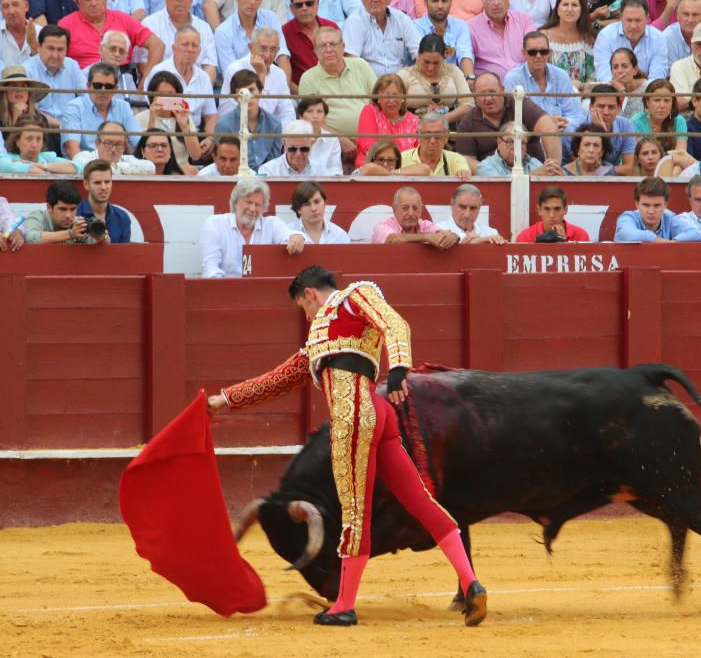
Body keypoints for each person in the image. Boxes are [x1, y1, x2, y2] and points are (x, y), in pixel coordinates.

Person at [207, 264, 489, 626]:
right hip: (378, 412)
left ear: (309, 294)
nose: (307, 318)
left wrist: (400, 367)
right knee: (419, 500)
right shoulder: (320, 338)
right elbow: (280, 379)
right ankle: (471, 584)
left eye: (304, 309)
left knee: (355, 512)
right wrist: (225, 400)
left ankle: (344, 605)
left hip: (354, 415)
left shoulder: (354, 296)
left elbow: (395, 324)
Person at [199, 178, 305, 278]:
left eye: (258, 204)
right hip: (225, 291)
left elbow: (288, 236)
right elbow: (210, 269)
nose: (253, 209)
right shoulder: (215, 224)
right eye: (248, 202)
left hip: (263, 291)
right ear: (235, 202)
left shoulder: (271, 224)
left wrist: (296, 237)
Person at [455, 73, 561, 170]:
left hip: (534, 176)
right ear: (475, 96)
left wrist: (553, 168)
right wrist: (498, 175)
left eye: (492, 92)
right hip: (494, 182)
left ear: (502, 90)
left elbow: (549, 129)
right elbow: (465, 161)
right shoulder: (468, 122)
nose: (488, 98)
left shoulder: (519, 104)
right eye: (482, 94)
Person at [297, 27, 377, 145]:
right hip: (331, 143)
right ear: (315, 51)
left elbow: (379, 101)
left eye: (333, 44)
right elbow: (310, 120)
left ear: (343, 47)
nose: (329, 50)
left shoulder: (361, 65)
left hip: (370, 139)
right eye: (323, 46)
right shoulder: (308, 78)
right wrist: (341, 141)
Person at [145, 26, 219, 149]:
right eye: (185, 44)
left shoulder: (204, 77)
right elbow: (153, 107)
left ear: (199, 51)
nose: (190, 50)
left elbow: (211, 116)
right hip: (166, 134)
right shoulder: (159, 72)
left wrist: (210, 138)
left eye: (194, 46)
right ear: (174, 48)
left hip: (196, 135)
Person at [59, 0, 164, 74]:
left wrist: (145, 81)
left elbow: (158, 45)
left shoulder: (123, 19)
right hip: (83, 84)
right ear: (78, 3)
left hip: (121, 82)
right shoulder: (66, 24)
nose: (93, 3)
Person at [504, 31, 585, 132]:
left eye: (543, 52)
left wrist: (562, 123)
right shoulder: (513, 79)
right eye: (532, 52)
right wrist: (547, 124)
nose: (538, 56)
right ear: (524, 54)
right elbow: (513, 119)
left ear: (549, 53)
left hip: (562, 132)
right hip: (530, 138)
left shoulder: (561, 76)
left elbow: (575, 115)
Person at [62, 62, 143, 159]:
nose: (103, 90)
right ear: (88, 86)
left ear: (116, 89)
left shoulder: (123, 107)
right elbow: (72, 150)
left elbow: (139, 142)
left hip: (117, 166)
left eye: (108, 87)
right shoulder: (74, 108)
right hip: (84, 168)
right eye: (98, 86)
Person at [218, 26, 295, 125]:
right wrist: (260, 74)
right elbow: (233, 114)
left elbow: (287, 113)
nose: (268, 55)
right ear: (250, 47)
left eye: (273, 49)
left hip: (271, 134)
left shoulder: (279, 74)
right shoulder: (235, 70)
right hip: (238, 130)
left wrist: (282, 134)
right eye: (263, 49)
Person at [213, 0, 293, 84]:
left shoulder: (271, 18)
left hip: (273, 85)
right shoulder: (223, 32)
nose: (252, 2)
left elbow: (282, 56)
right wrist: (261, 76)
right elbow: (233, 76)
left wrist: (283, 88)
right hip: (240, 91)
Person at [22, 25, 87, 138]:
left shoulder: (72, 66)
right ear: (39, 47)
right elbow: (30, 110)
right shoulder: (27, 70)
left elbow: (86, 99)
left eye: (60, 50)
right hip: (41, 130)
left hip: (72, 128)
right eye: (50, 48)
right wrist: (62, 126)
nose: (55, 55)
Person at [361, 110, 470, 176]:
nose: (432, 141)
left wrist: (463, 174)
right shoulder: (402, 158)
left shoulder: (456, 159)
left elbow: (464, 176)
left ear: (446, 136)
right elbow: (370, 170)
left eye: (437, 135)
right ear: (418, 135)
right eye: (427, 135)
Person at [141, 0, 217, 83]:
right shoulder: (149, 25)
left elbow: (210, 67)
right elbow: (143, 67)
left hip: (196, 91)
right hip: (161, 90)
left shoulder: (204, 28)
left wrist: (200, 89)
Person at [215, 69, 283, 171]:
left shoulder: (275, 123)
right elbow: (223, 161)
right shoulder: (223, 125)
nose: (248, 97)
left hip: (267, 178)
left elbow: (275, 161)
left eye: (251, 90)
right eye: (242, 93)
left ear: (260, 91)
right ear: (234, 97)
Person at [397, 33, 474, 122]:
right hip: (412, 129)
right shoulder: (405, 75)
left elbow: (468, 105)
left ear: (444, 58)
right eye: (426, 62)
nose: (430, 68)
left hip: (448, 128)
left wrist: (442, 120)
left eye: (436, 63)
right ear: (418, 56)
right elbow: (392, 106)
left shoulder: (453, 72)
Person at [342, 0, 421, 77]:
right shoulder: (354, 22)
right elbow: (351, 63)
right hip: (370, 84)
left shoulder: (402, 19)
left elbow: (420, 54)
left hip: (401, 81)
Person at [136, 70, 205, 168]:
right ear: (152, 95)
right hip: (152, 171)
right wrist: (152, 119)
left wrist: (184, 126)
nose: (166, 98)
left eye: (171, 94)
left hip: (181, 173)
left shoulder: (184, 117)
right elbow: (141, 154)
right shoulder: (141, 118)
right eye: (161, 94)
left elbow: (196, 155)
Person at [593, 0, 669, 82]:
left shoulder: (658, 38)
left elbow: (657, 79)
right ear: (620, 18)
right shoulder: (606, 36)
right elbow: (604, 77)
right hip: (613, 92)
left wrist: (638, 88)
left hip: (647, 93)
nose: (633, 26)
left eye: (638, 20)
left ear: (647, 18)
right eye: (629, 20)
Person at [0, 64, 56, 154]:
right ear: (4, 92)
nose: (19, 90)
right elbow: (2, 152)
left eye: (23, 86)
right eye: (13, 86)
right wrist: (16, 119)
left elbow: (47, 150)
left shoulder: (40, 118)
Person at [467, 0, 535, 79]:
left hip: (526, 85)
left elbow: (535, 52)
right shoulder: (470, 28)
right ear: (482, 0)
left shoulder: (524, 21)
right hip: (491, 89)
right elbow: (466, 59)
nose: (496, 3)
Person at [613, 176, 701, 242]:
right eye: (646, 205)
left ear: (665, 204)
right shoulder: (627, 217)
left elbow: (697, 234)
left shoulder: (670, 218)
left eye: (657, 206)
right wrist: (656, 240)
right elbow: (628, 234)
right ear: (637, 204)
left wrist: (674, 242)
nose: (651, 211)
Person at [355, 73, 418, 167]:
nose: (391, 100)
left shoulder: (414, 121)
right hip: (373, 170)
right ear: (378, 98)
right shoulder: (370, 111)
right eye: (386, 95)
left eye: (395, 95)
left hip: (405, 173)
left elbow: (419, 155)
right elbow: (369, 148)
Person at [540, 0, 596, 91]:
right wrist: (569, 85)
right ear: (557, 9)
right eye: (565, 4)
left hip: (581, 95)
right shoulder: (544, 36)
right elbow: (538, 72)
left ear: (581, 11)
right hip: (550, 94)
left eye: (574, 5)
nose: (569, 9)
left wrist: (586, 88)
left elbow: (591, 75)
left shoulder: (588, 38)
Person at [413, 0, 475, 80]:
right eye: (435, 1)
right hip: (423, 80)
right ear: (425, 2)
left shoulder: (460, 25)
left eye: (444, 1)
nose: (440, 6)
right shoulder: (414, 26)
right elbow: (420, 59)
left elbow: (465, 54)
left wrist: (470, 78)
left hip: (455, 82)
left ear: (451, 1)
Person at [283, 0, 340, 85]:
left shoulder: (332, 27)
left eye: (309, 3)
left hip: (336, 86)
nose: (304, 8)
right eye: (298, 5)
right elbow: (283, 76)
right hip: (306, 95)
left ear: (317, 4)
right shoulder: (284, 33)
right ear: (292, 8)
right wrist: (303, 95)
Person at [371, 185, 457, 247]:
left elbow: (443, 235)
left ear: (421, 210)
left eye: (415, 208)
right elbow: (393, 239)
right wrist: (426, 237)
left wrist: (452, 236)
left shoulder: (425, 225)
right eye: (405, 208)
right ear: (394, 210)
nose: (411, 213)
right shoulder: (382, 225)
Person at [0, 116, 79, 175]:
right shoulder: (5, 159)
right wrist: (48, 171)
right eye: (29, 139)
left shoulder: (48, 158)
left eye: (38, 139)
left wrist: (43, 166)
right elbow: (30, 170)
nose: (34, 145)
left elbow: (78, 168)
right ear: (17, 141)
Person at [583, 83, 636, 174]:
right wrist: (599, 132)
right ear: (591, 107)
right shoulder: (575, 128)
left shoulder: (626, 125)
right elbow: (582, 169)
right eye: (601, 106)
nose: (606, 112)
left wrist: (601, 172)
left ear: (618, 109)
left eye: (611, 107)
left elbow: (629, 168)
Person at [475, 121, 563, 175]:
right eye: (510, 142)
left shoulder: (534, 163)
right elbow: (502, 189)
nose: (516, 147)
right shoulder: (485, 167)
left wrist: (556, 174)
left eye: (522, 143)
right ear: (499, 142)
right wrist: (532, 176)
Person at [77, 159, 133, 243]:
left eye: (107, 182)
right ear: (86, 184)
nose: (103, 187)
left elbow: (124, 254)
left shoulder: (122, 217)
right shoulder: (75, 213)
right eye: (97, 183)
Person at [71, 120, 157, 173]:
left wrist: (115, 167)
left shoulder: (127, 159)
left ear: (124, 146)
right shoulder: (84, 157)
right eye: (108, 143)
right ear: (97, 144)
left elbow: (150, 167)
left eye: (119, 144)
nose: (113, 149)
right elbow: (80, 166)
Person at [24, 181, 96, 244]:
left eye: (73, 209)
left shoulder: (78, 224)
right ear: (49, 207)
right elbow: (29, 237)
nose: (68, 215)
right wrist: (70, 234)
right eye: (62, 209)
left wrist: (101, 237)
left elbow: (96, 243)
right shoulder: (38, 217)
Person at [631, 79, 688, 155]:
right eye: (657, 100)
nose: (662, 106)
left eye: (667, 101)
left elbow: (681, 154)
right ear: (647, 102)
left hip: (672, 165)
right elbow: (641, 157)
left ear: (672, 102)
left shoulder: (679, 121)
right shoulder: (636, 122)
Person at [515, 185, 591, 242]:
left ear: (565, 209)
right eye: (547, 209)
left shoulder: (581, 236)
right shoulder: (525, 237)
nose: (552, 215)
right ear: (539, 210)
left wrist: (563, 244)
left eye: (557, 209)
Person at [439, 183, 505, 244]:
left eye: (473, 208)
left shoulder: (491, 233)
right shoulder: (437, 230)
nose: (467, 214)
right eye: (462, 207)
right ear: (452, 205)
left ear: (479, 208)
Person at [0, 0, 41, 68]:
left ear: (26, 6)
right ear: (1, 10)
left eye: (15, 5)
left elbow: (45, 72)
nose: (11, 11)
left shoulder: (40, 33)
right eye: (6, 6)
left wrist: (34, 47)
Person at [298, 96, 342, 175]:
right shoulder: (294, 138)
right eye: (310, 111)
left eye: (319, 111)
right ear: (300, 116)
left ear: (325, 117)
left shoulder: (332, 139)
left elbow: (336, 171)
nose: (315, 116)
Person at [662, 0, 701, 64]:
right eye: (686, 14)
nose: (690, 20)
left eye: (695, 15)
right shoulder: (667, 38)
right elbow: (670, 73)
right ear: (677, 15)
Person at [205, 0, 289, 30]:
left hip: (263, 45)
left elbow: (282, 28)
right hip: (230, 38)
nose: (252, 2)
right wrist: (220, 33)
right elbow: (209, 4)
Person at [607, 47, 648, 119]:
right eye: (615, 67)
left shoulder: (648, 89)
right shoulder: (607, 91)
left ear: (635, 70)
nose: (619, 71)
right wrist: (618, 96)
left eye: (624, 66)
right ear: (611, 71)